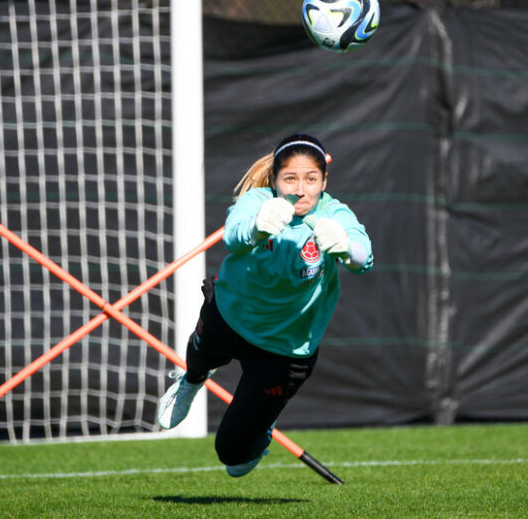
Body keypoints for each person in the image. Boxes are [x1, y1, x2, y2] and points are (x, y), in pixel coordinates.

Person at [157, 133, 373, 477]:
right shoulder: (258, 201)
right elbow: (232, 235)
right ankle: (191, 381)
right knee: (200, 356)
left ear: (324, 181)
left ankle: (260, 429)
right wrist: (257, 228)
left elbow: (364, 259)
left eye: (311, 179)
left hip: (285, 348)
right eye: (290, 178)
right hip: (232, 316)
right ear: (275, 179)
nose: (300, 189)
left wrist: (346, 246)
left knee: (233, 457)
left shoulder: (334, 213)